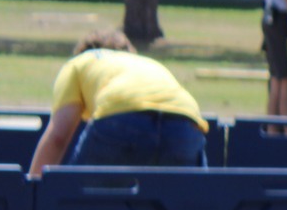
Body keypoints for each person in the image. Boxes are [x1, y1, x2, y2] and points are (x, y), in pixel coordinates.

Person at [27, 31, 209, 178]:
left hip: (122, 120)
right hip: (185, 124)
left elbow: (58, 137)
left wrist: (33, 193)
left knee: (75, 205)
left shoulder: (78, 63)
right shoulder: (147, 63)